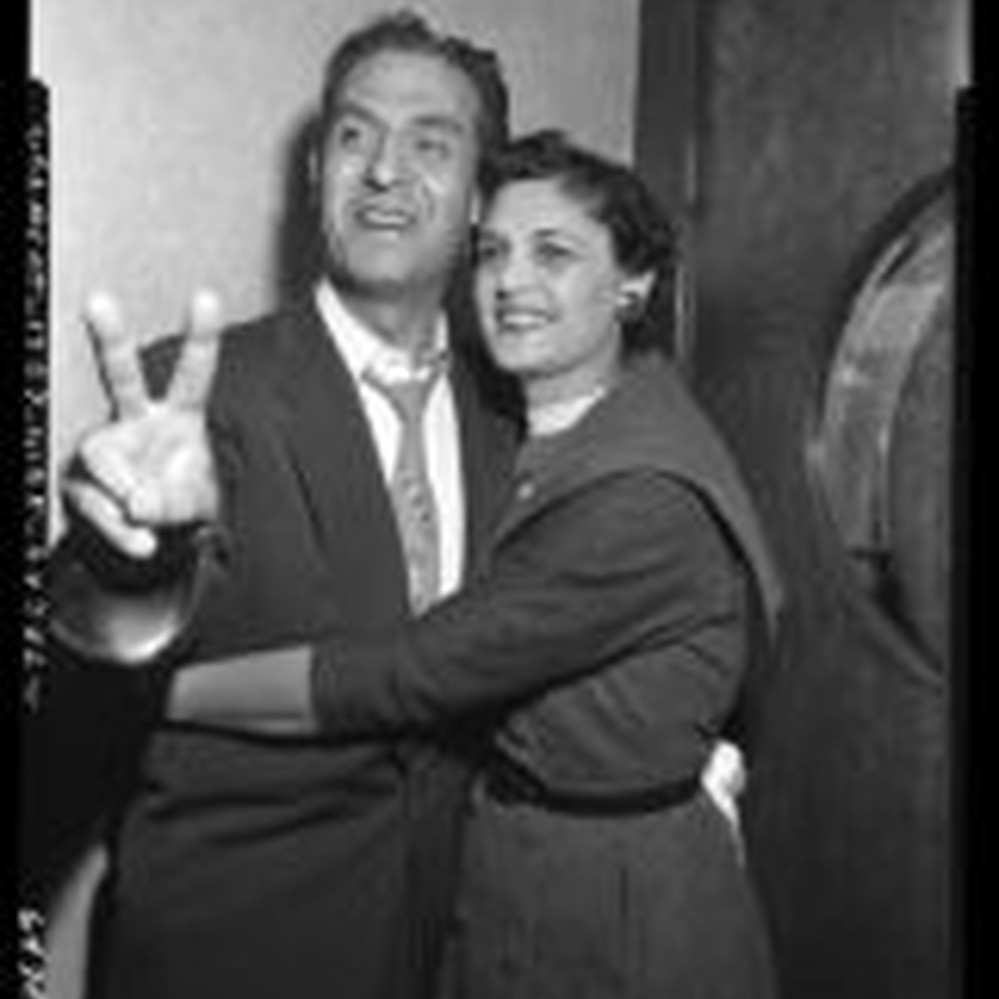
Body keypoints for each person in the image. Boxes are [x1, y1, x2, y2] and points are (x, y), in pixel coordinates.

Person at [161, 130, 785, 998]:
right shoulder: (549, 413)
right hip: (496, 872)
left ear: (633, 287)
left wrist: (164, 693)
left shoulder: (639, 496)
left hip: (616, 910)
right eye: (491, 251)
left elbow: (413, 672)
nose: (509, 281)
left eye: (554, 253)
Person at [49, 12, 519, 999]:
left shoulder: (508, 416)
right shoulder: (198, 393)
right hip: (232, 953)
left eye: (431, 143)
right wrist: (132, 559)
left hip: (443, 948)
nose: (386, 171)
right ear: (317, 177)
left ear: (481, 195)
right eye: (355, 136)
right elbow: (91, 652)